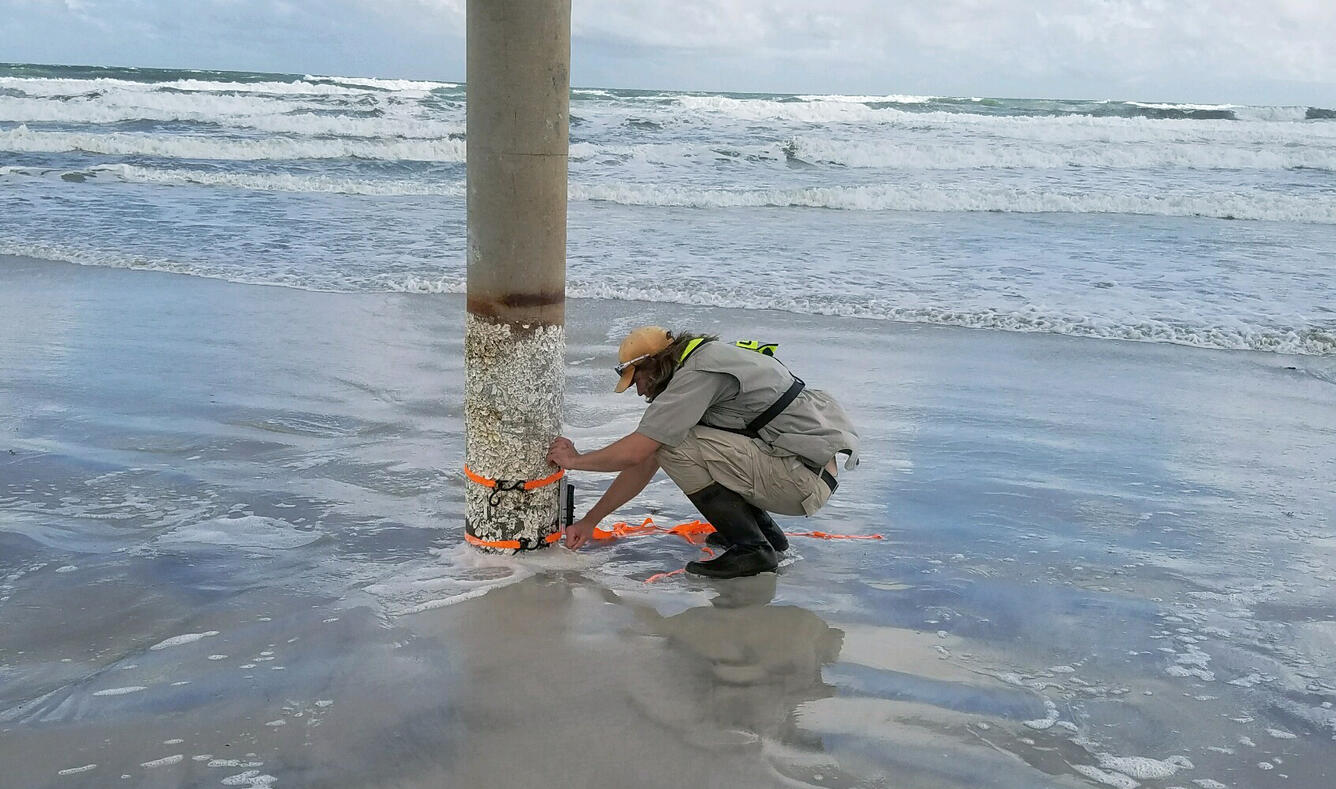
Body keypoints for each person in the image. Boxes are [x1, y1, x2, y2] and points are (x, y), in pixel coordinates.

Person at [546, 326, 859, 579]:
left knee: (670, 443)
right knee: (671, 442)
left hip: (801, 479)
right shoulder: (706, 358)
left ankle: (752, 548)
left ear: (653, 364)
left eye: (637, 379)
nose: (639, 391)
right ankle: (766, 537)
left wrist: (575, 461)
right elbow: (644, 461)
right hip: (804, 468)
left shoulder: (697, 374)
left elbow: (639, 452)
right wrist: (590, 521)